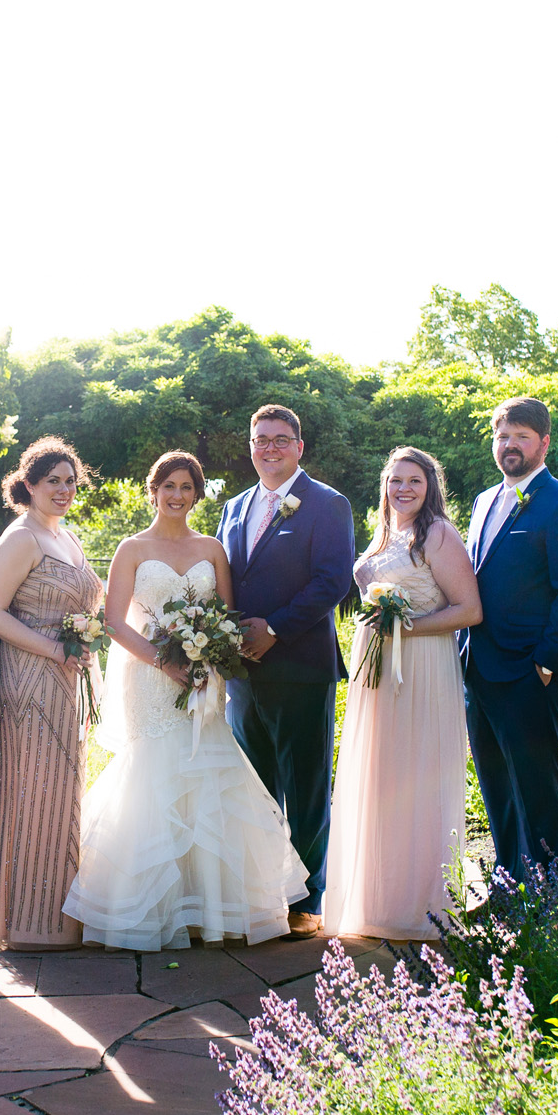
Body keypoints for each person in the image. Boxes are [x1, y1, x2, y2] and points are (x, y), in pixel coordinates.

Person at [65, 451, 309, 950]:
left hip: (202, 679)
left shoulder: (213, 548)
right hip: (150, 678)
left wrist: (208, 657)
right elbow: (114, 622)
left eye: (186, 488)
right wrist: (164, 661)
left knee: (207, 775)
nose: (177, 496)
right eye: (169, 486)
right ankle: (150, 911)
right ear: (153, 490)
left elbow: (226, 613)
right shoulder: (131, 549)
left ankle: (210, 910)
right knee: (154, 776)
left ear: (197, 495)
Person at [328, 446, 481, 940]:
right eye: (396, 481)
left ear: (430, 485)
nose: (404, 489)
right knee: (380, 774)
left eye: (414, 480)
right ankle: (374, 899)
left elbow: (468, 610)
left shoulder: (437, 533)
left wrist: (406, 628)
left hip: (420, 666)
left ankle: (417, 904)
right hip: (376, 671)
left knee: (415, 773)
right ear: (385, 485)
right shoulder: (384, 534)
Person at [215, 405, 355, 938]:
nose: (269, 448)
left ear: (299, 447)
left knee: (306, 786)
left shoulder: (327, 504)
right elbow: (225, 579)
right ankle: (262, 893)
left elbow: (332, 581)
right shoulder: (233, 507)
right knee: (254, 788)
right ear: (250, 447)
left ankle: (306, 899)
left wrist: (272, 628)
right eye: (260, 440)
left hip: (300, 666)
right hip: (242, 674)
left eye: (279, 439)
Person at [461, 396, 558, 884]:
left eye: (520, 436)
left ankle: (547, 894)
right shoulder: (483, 501)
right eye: (502, 436)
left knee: (538, 786)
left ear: (543, 442)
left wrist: (546, 661)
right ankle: (508, 883)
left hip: (528, 670)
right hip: (477, 666)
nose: (510, 445)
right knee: (496, 783)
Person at [0, 436, 104, 951]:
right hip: (30, 679)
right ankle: (27, 924)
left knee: (61, 792)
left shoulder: (65, 537)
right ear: (28, 485)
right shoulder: (20, 538)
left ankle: (58, 917)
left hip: (66, 679)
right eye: (53, 480)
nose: (64, 489)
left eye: (70, 481)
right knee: (34, 792)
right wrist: (55, 650)